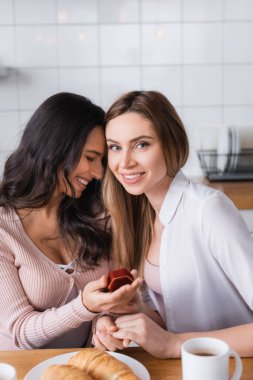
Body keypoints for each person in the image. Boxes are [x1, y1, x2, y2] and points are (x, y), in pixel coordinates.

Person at [93, 90, 253, 358]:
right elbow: (175, 322)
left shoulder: (208, 210)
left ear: (171, 144)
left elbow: (174, 339)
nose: (125, 162)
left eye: (141, 144)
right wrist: (125, 319)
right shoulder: (142, 218)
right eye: (115, 147)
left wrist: (173, 345)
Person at [0, 92, 143, 350]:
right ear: (54, 149)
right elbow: (21, 332)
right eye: (89, 158)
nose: (98, 173)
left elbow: (106, 303)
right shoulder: (4, 229)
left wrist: (104, 320)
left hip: (83, 368)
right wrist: (86, 307)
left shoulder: (99, 214)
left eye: (101, 160)